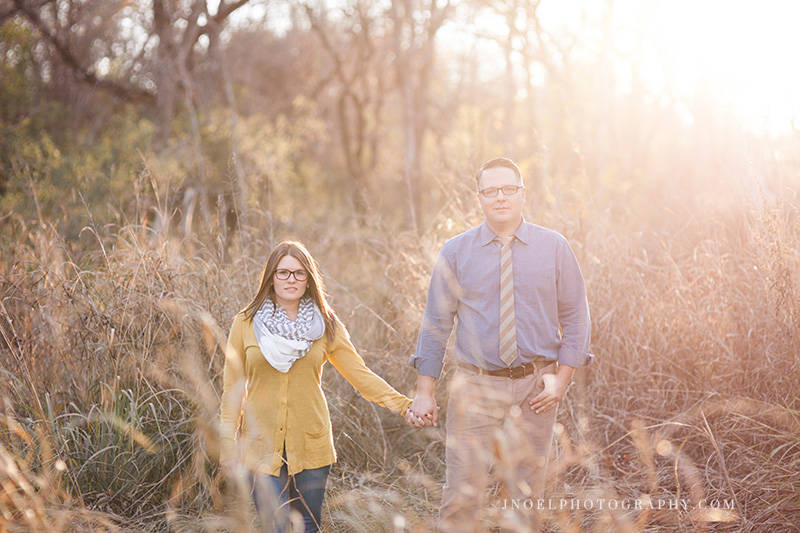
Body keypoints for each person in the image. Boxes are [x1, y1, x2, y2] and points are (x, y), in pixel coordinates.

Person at [406, 157, 592, 532]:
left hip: (535, 388)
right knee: (462, 497)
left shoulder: (554, 247)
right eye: (491, 191)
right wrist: (425, 392)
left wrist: (562, 379)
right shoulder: (456, 252)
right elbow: (435, 325)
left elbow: (576, 317)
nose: (500, 197)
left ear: (523, 193)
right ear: (479, 198)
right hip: (475, 387)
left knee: (525, 497)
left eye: (508, 189)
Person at [220, 240, 419, 532]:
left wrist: (405, 405)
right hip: (259, 444)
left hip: (311, 441)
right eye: (283, 272)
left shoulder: (326, 324)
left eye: (299, 273)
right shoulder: (246, 323)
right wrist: (227, 449)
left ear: (309, 279)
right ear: (270, 276)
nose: (291, 279)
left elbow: (360, 376)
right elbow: (232, 389)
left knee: (309, 527)